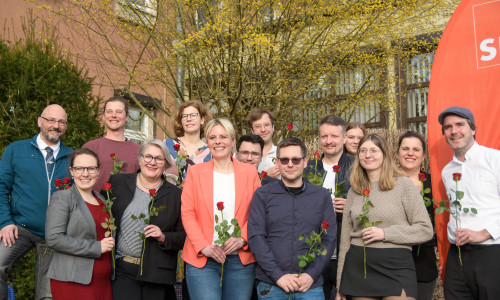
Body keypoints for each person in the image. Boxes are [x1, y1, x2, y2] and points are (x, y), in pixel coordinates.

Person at [336, 133, 433, 300]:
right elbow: (345, 242)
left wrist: (386, 234)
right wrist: (340, 285)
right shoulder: (354, 191)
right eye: (363, 150)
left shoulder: (403, 185)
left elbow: (425, 230)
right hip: (360, 266)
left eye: (374, 150)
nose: (368, 155)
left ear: (385, 154)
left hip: (396, 265)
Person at [181, 118, 261, 300]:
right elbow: (187, 213)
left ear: (233, 141)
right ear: (207, 142)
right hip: (203, 260)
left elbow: (258, 214)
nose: (218, 141)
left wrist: (243, 238)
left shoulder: (250, 173)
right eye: (212, 137)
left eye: (223, 136)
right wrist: (203, 246)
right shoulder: (195, 173)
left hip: (240, 260)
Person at [248, 137, 337, 299]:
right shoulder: (263, 195)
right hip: (272, 284)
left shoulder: (321, 196)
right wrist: (278, 276)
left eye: (296, 160)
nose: (290, 164)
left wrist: (310, 275)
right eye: (284, 160)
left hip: (309, 285)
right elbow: (256, 237)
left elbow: (328, 239)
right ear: (277, 162)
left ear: (305, 161)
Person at [0, 104, 72, 300]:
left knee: (48, 294)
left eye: (61, 122)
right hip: (20, 228)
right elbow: (1, 187)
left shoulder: (72, 157)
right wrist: (5, 222)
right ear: (40, 121)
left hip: (55, 233)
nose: (55, 125)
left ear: (65, 126)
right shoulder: (16, 150)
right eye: (51, 120)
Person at [107, 139, 185, 299]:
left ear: (166, 164)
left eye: (159, 158)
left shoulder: (175, 195)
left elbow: (184, 236)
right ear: (140, 158)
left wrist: (164, 237)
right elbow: (101, 216)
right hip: (122, 270)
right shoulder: (118, 183)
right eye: (148, 156)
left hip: (158, 273)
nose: (152, 162)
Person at [438, 106, 500, 299]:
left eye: (459, 125)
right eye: (448, 127)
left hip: (492, 253)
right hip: (457, 257)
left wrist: (484, 233)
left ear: (473, 129)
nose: (454, 131)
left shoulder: (495, 159)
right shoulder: (447, 171)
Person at [46, 148, 114, 300]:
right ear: (71, 171)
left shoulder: (102, 200)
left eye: (91, 168)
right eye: (79, 169)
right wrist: (96, 247)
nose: (85, 174)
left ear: (98, 171)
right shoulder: (63, 198)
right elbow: (54, 238)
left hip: (103, 281)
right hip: (73, 281)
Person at [304, 115, 354, 300]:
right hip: (314, 252)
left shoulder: (356, 168)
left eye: (334, 136)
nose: (329, 141)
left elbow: (372, 204)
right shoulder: (307, 169)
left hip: (346, 252)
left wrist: (352, 204)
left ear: (345, 137)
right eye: (324, 136)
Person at [396, 131, 438, 300]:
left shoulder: (434, 184)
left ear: (424, 155)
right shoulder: (387, 182)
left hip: (424, 259)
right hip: (393, 257)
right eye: (405, 148)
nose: (410, 153)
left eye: (416, 149)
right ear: (398, 152)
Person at [83, 97, 140, 192]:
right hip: (97, 204)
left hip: (130, 205)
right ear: (103, 116)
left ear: (127, 116)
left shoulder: (139, 150)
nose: (113, 115)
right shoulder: (90, 147)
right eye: (109, 111)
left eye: (119, 112)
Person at [165, 100, 212, 185]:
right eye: (184, 116)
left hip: (198, 198)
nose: (188, 119)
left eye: (193, 115)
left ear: (202, 120)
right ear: (181, 121)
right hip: (168, 197)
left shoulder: (210, 152)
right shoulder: (167, 145)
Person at [246, 108, 280, 178]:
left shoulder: (283, 154)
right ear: (252, 130)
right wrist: (265, 177)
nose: (263, 130)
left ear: (273, 127)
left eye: (266, 125)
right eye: (258, 126)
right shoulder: (242, 155)